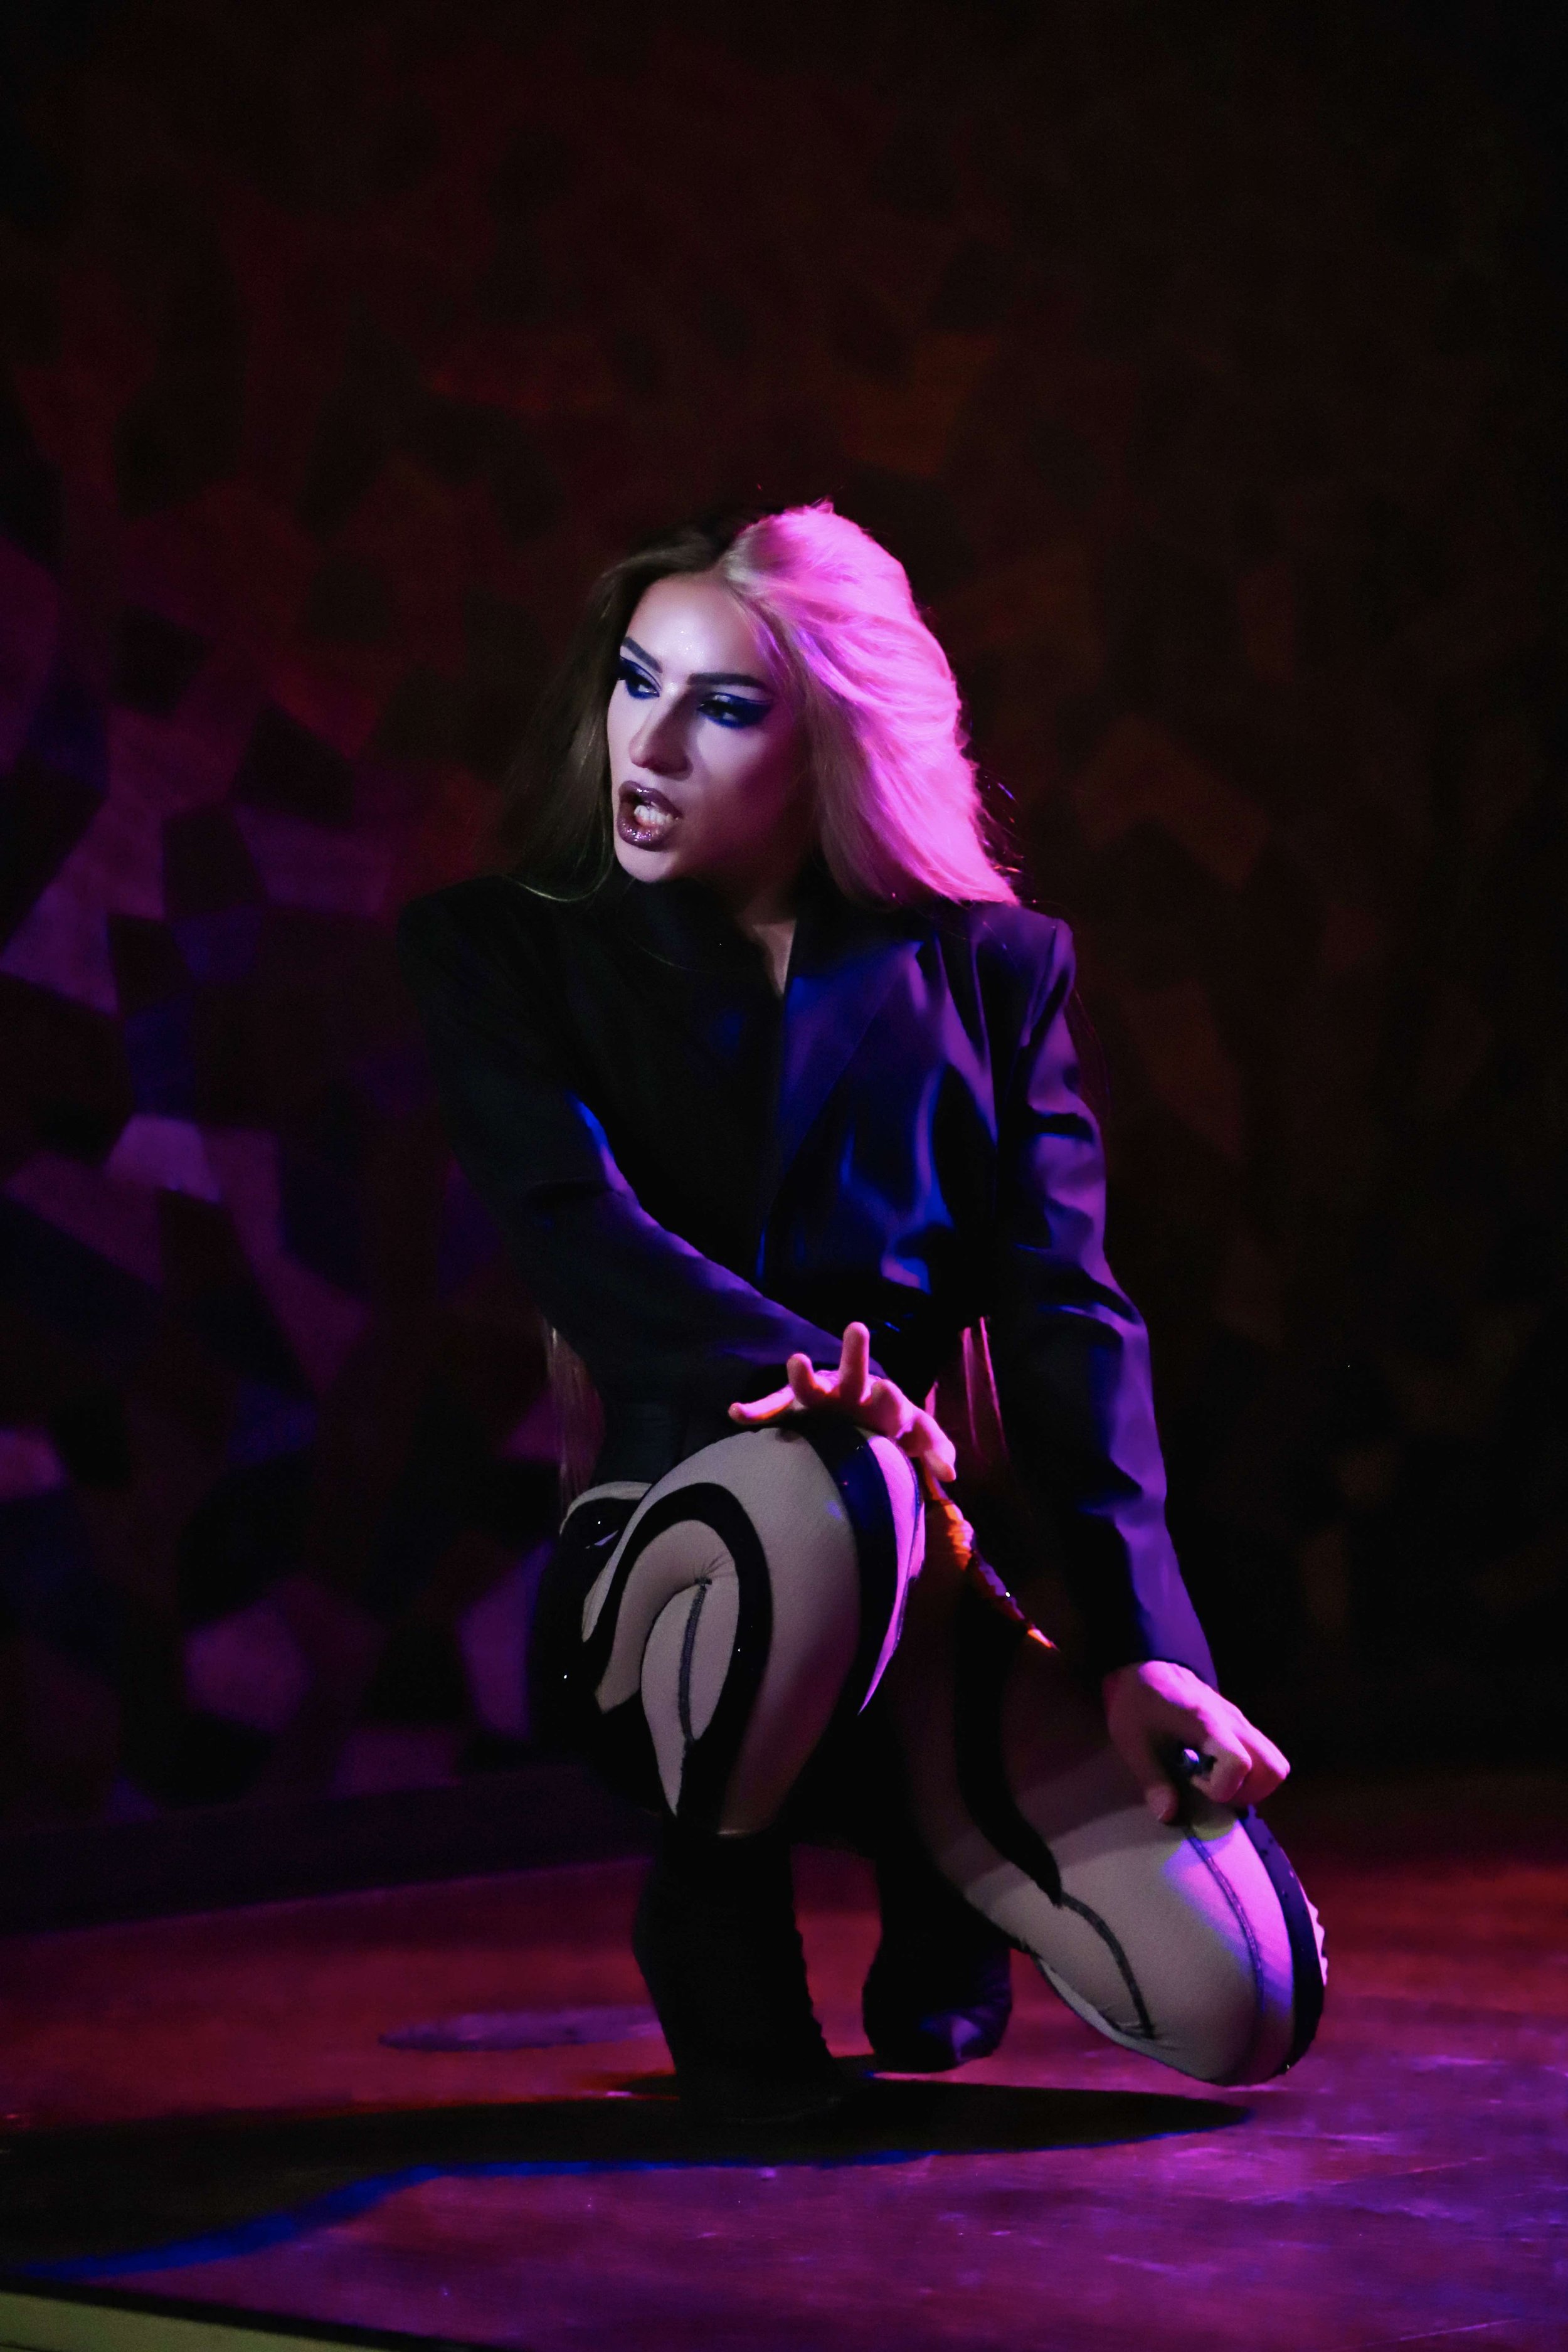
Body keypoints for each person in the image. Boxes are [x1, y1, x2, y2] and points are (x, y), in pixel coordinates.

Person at [397, 502, 1327, 2126]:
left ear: (834, 739)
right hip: (670, 1565)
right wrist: (839, 1400)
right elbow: (577, 1237)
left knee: (1242, 2001)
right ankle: (718, 1900)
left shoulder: (996, 971)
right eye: (635, 682)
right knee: (830, 1484)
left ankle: (933, 1856)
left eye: (722, 706)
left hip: (936, 1579)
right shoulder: (502, 954)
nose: (647, 746)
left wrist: (1146, 1649)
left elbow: (1068, 1310)